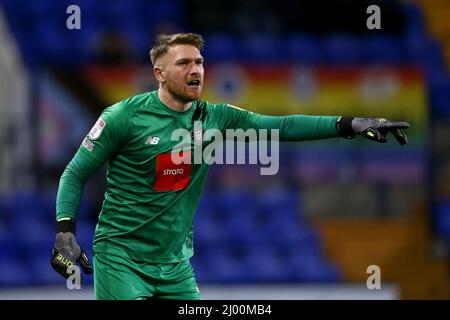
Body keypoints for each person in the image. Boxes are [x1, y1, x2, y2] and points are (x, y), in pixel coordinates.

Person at [50, 33, 410, 300]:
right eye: (184, 63)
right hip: (121, 258)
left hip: (175, 265)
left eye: (200, 62)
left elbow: (280, 127)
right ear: (159, 73)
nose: (196, 70)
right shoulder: (122, 117)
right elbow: (75, 172)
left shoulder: (216, 117)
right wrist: (65, 229)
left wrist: (347, 124)